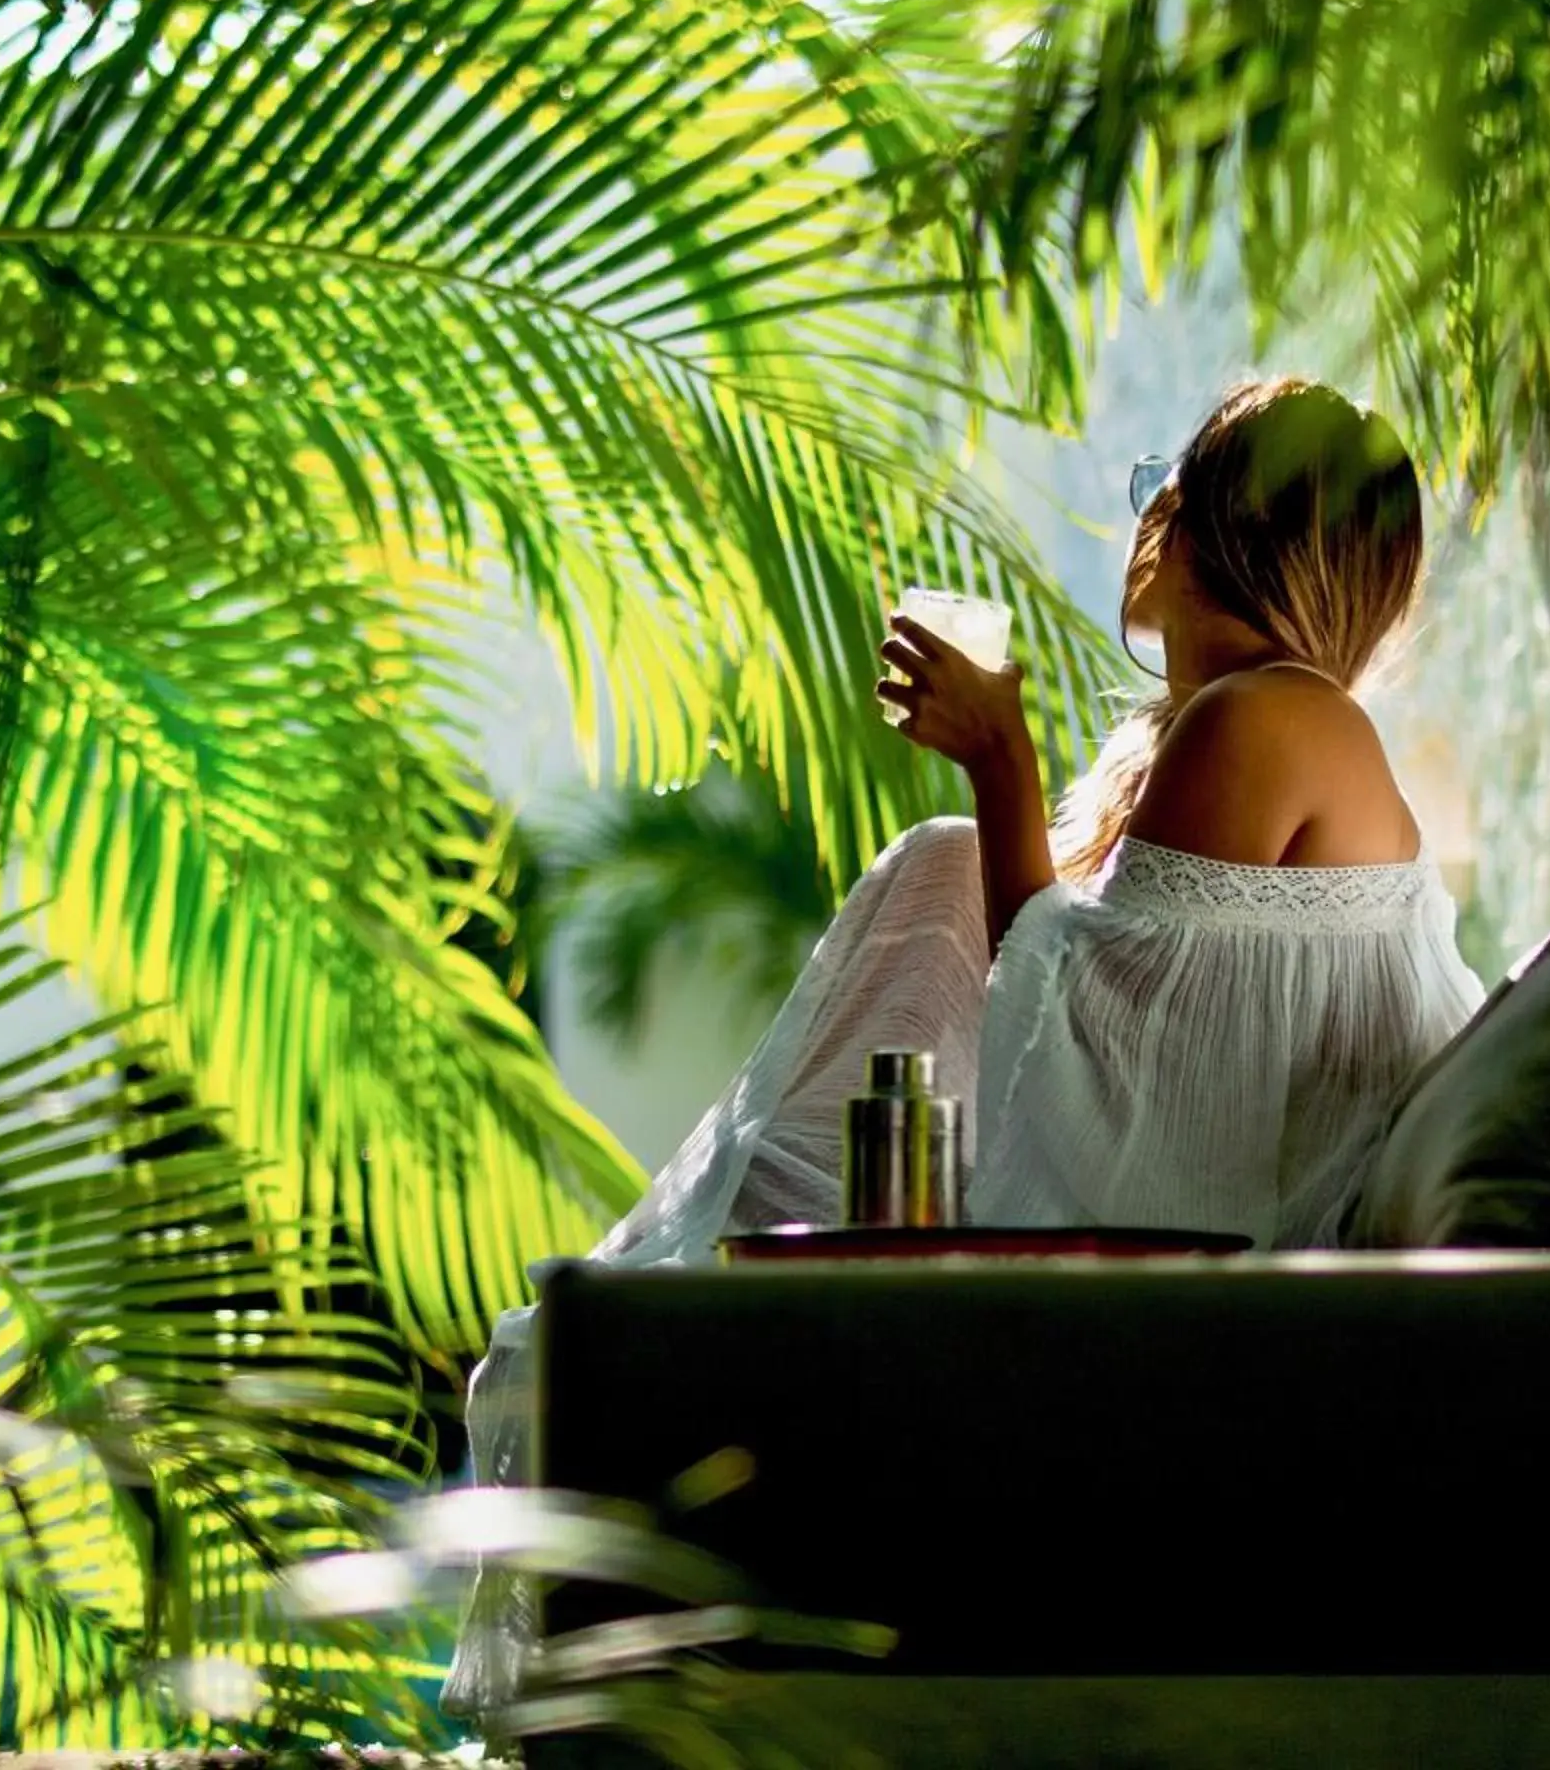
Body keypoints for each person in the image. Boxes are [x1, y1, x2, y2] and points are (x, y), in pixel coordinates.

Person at [446, 377, 1483, 1717]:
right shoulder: (1246, 726)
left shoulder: (1272, 718)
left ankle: (698, 1309)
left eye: (1167, 479)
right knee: (943, 871)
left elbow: (1097, 1036)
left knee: (948, 869)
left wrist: (1001, 760)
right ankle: (710, 1299)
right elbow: (1097, 1014)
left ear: (1190, 519)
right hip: (1214, 1270)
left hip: (1238, 1297)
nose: (1147, 506)